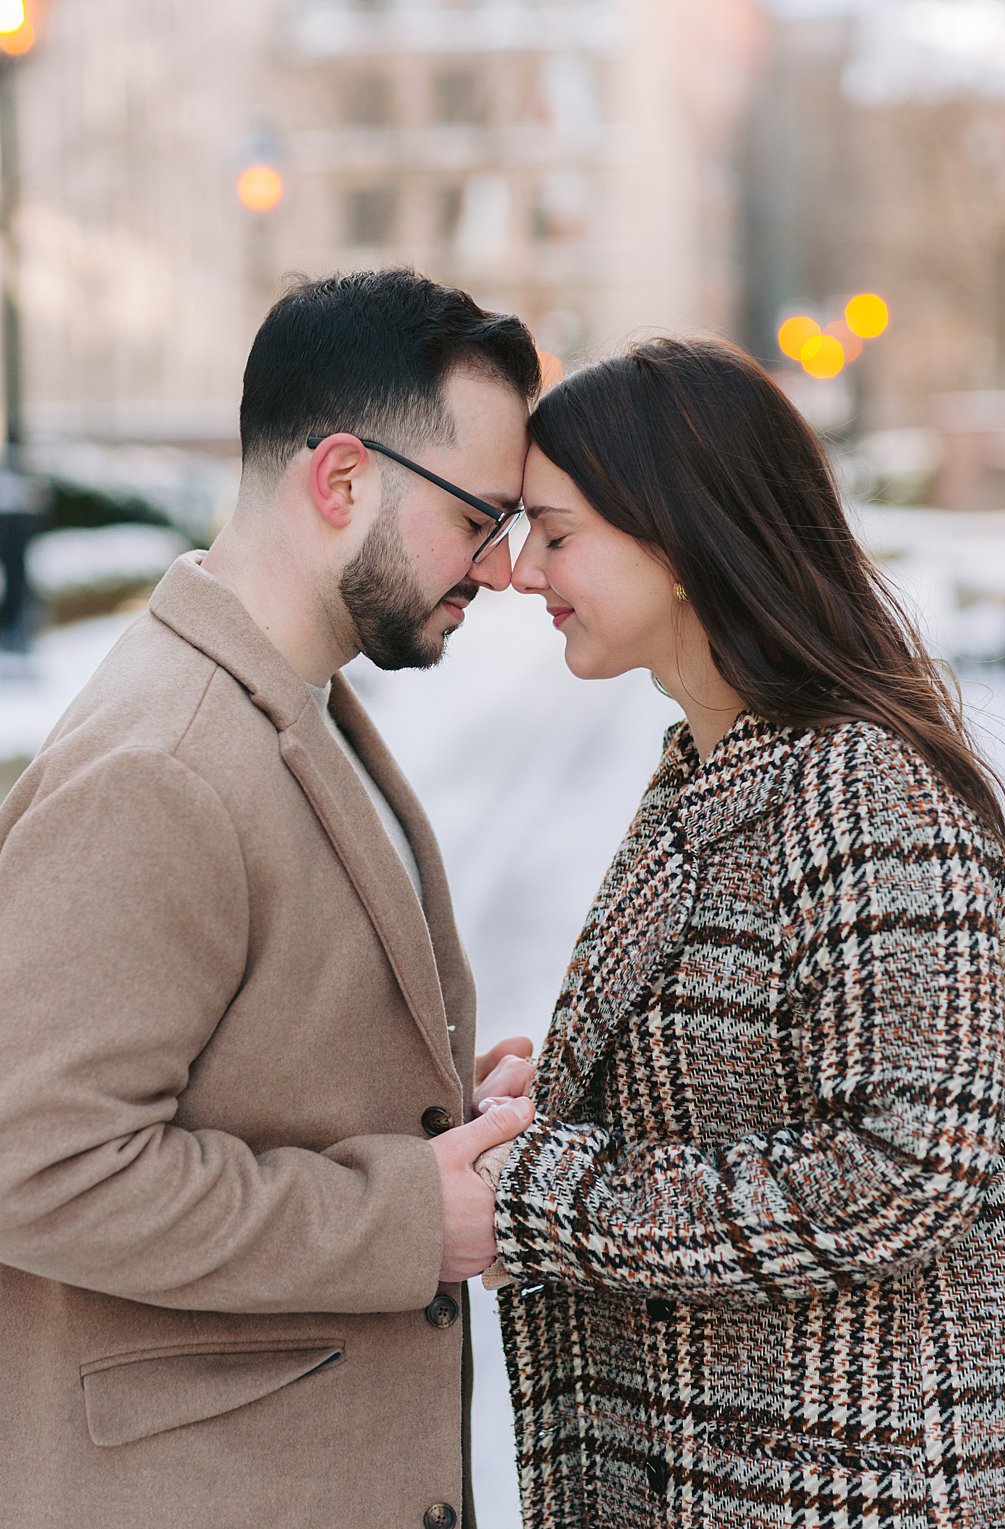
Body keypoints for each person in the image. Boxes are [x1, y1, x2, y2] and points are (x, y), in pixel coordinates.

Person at [0, 269, 545, 1528]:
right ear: (342, 478)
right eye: (481, 516)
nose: (504, 568)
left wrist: (433, 1115)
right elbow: (36, 1161)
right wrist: (408, 1216)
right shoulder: (164, 763)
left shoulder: (295, 708)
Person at [485, 335, 1005, 1528]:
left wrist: (543, 1191)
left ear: (678, 538)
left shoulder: (861, 781)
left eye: (555, 531)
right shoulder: (713, 766)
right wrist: (572, 1091)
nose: (522, 570)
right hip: (728, 1468)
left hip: (835, 1475)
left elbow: (907, 1166)